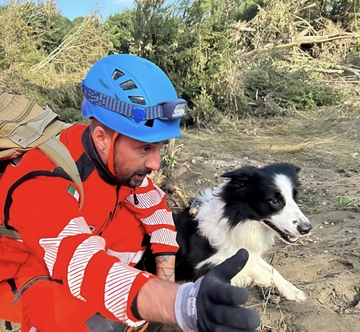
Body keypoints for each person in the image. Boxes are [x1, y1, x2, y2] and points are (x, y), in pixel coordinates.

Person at [0, 54, 260, 332]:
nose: (155, 164)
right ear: (102, 137)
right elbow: (82, 264)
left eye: (160, 147)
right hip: (20, 278)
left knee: (134, 223)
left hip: (74, 248)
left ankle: (133, 307)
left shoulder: (111, 158)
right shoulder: (41, 183)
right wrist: (179, 303)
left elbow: (157, 209)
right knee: (68, 314)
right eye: (145, 148)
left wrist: (166, 278)